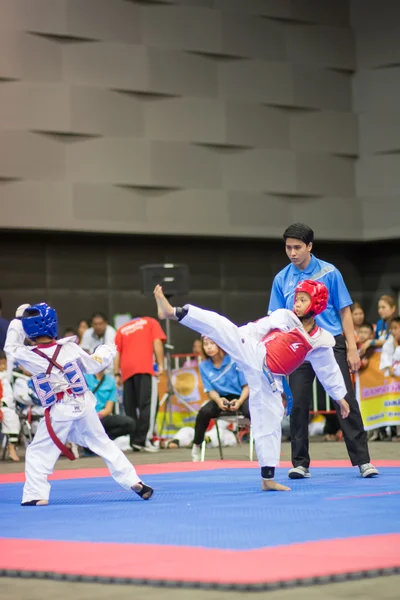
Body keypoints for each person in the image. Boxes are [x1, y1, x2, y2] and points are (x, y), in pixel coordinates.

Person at [154, 280, 351, 492]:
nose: (298, 304)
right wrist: (238, 338)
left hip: (270, 380)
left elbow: (328, 370)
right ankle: (174, 312)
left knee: (270, 420)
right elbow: (257, 328)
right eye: (297, 299)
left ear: (317, 304)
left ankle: (268, 478)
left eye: (303, 300)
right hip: (256, 354)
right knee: (222, 326)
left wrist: (340, 398)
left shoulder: (321, 340)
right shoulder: (284, 316)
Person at [4, 302, 153, 505]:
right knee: (104, 444)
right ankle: (134, 481)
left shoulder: (29, 355)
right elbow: (94, 364)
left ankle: (36, 495)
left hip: (59, 410)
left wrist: (18, 320)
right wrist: (108, 350)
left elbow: (10, 347)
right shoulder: (70, 348)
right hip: (83, 405)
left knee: (38, 451)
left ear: (29, 331)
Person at [268, 223, 377, 479]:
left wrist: (352, 347)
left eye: (297, 247)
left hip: (330, 343)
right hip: (296, 347)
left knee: (345, 400)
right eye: (288, 247)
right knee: (297, 405)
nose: (292, 252)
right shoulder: (281, 279)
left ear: (309, 247)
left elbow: (344, 310)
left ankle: (363, 461)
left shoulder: (330, 272)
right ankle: (300, 464)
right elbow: (274, 318)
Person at [191, 336, 250, 462]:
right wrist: (218, 401)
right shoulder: (204, 366)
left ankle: (262, 445)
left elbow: (246, 386)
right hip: (220, 398)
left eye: (212, 343)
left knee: (251, 410)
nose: (209, 347)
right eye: (206, 345)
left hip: (240, 396)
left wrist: (239, 401)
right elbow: (210, 390)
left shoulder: (234, 360)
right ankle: (197, 445)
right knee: (203, 413)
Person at [114, 315, 166, 452]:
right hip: (144, 367)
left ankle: (134, 441)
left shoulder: (122, 329)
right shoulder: (150, 321)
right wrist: (161, 364)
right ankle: (144, 440)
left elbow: (116, 353)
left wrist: (116, 373)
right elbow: (157, 342)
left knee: (130, 407)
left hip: (126, 370)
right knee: (149, 404)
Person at [85, 368, 136, 445]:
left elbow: (108, 409)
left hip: (101, 417)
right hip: (85, 417)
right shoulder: (85, 377)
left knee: (130, 423)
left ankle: (101, 442)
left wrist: (96, 416)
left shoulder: (110, 380)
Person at [0, 351, 21, 461]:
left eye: (5, 363)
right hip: (2, 406)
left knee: (12, 417)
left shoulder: (6, 378)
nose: (3, 366)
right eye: (1, 364)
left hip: (7, 407)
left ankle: (11, 447)